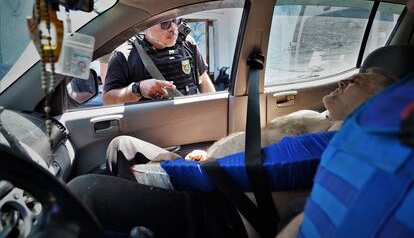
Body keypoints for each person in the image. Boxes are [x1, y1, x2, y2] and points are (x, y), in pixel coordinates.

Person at [106, 67, 397, 185]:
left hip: (217, 194)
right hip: (212, 167)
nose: (343, 81)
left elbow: (264, 170)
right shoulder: (317, 116)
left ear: (378, 104)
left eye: (357, 81)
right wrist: (209, 155)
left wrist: (182, 170)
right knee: (121, 145)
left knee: (90, 190)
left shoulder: (333, 140)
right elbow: (257, 146)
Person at [102, 18, 215, 105]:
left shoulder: (188, 44)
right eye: (165, 23)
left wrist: (213, 111)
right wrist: (137, 89)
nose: (173, 28)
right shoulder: (123, 55)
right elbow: (108, 100)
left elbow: (204, 81)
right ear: (145, 26)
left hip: (190, 120)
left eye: (177, 20)